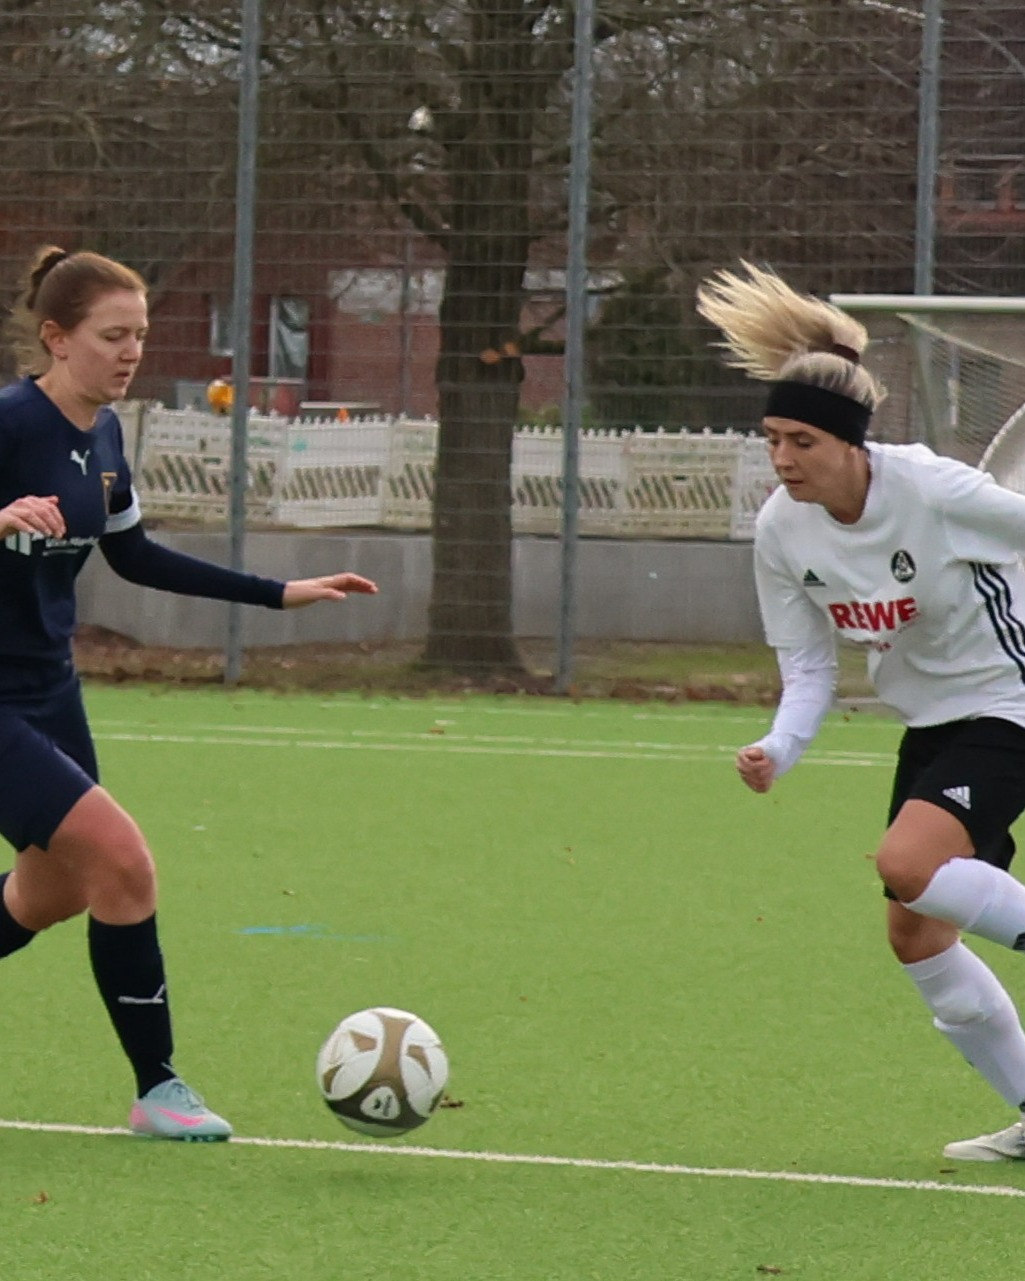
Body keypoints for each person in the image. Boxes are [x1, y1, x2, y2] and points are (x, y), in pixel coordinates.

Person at [0, 245, 378, 1141]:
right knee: (124, 862)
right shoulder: (12, 420)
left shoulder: (104, 434)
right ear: (57, 337)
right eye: (111, 335)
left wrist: (280, 593)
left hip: (50, 690)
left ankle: (156, 1086)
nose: (130, 352)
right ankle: (158, 1087)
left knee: (47, 893)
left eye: (140, 334)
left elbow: (135, 556)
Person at [696, 260, 1025, 1163]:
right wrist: (778, 746)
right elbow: (807, 665)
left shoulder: (930, 488)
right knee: (914, 930)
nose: (781, 459)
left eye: (800, 440)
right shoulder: (781, 529)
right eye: (771, 439)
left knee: (904, 860)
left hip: (1012, 697)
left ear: (849, 443)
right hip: (931, 719)